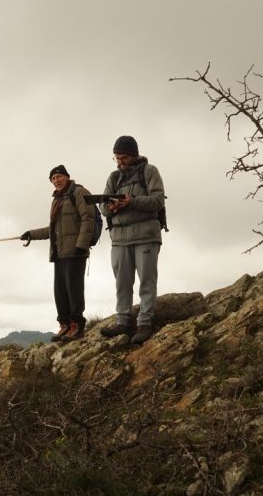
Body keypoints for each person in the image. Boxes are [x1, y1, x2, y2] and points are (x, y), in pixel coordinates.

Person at [98, 135, 166, 345]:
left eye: (124, 157)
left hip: (146, 236)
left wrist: (132, 202)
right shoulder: (113, 178)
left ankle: (145, 323)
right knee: (122, 283)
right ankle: (123, 322)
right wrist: (110, 207)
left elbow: (157, 200)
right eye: (117, 158)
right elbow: (102, 207)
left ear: (134, 155)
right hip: (119, 238)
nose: (120, 162)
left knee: (147, 280)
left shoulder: (149, 171)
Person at [21, 165, 96, 342]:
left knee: (74, 290)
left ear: (67, 177)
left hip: (75, 251)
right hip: (60, 253)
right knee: (60, 291)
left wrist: (81, 245)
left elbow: (88, 218)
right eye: (53, 179)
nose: (56, 181)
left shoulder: (79, 192)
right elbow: (53, 230)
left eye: (59, 177)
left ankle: (77, 325)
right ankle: (65, 324)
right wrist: (31, 234)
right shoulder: (57, 200)